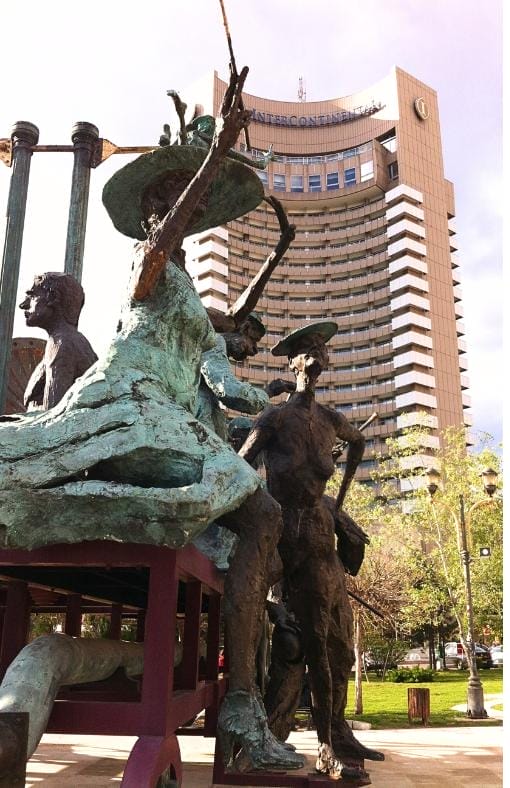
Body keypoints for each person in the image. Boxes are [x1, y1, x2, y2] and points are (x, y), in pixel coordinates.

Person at [0, 69, 303, 771]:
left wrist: (275, 399)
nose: (179, 214)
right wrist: (210, 156)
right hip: (131, 408)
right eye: (167, 201)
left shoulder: (193, 296)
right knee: (258, 515)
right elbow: (161, 249)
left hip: (173, 421)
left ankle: (243, 713)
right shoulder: (149, 259)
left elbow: (222, 379)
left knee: (261, 518)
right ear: (151, 214)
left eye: (186, 201)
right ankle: (241, 719)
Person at [238, 322, 373, 778]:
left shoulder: (332, 420)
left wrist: (340, 503)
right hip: (284, 531)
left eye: (321, 350)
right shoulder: (274, 418)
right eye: (306, 352)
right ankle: (311, 742)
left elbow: (358, 445)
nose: (315, 357)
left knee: (332, 640)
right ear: (292, 363)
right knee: (299, 639)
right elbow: (239, 468)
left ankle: (333, 736)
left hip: (318, 531)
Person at [19, 272, 97, 411]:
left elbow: (53, 417)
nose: (23, 305)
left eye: (32, 296)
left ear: (52, 298)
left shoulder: (62, 343)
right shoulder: (67, 340)